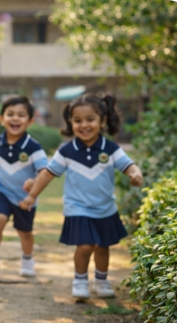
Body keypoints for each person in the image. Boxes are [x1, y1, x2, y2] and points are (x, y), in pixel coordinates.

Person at [19, 93, 143, 299]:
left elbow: (128, 165)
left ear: (102, 121)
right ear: (71, 123)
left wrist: (135, 173)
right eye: (77, 120)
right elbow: (47, 174)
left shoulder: (110, 149)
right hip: (78, 208)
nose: (84, 125)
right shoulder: (67, 151)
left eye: (90, 119)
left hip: (105, 208)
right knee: (85, 246)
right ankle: (80, 281)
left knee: (102, 247)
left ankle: (101, 281)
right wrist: (32, 195)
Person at [0, 96, 48, 277]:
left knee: (25, 232)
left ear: (30, 121)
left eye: (21, 115)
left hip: (25, 197)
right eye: (10, 114)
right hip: (1, 191)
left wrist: (34, 182)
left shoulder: (33, 147)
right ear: (2, 119)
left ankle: (27, 260)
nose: (15, 118)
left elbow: (44, 172)